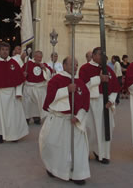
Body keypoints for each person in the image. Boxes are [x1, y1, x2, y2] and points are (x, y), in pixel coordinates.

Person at [39, 56, 90, 185]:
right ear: (64, 65)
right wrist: (66, 90)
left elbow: (85, 102)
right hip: (59, 120)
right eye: (72, 64)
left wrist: (78, 116)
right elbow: (50, 98)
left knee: (77, 149)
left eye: (77, 64)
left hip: (74, 121)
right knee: (53, 146)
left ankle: (77, 174)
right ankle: (52, 168)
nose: (75, 67)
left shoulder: (80, 82)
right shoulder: (56, 80)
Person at [78, 48, 120, 164]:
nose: (103, 58)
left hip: (106, 104)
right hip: (91, 103)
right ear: (94, 56)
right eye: (101, 55)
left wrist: (111, 100)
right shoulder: (84, 68)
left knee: (105, 130)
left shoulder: (108, 70)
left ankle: (102, 153)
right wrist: (98, 79)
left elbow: (115, 87)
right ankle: (85, 152)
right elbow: (82, 87)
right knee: (89, 129)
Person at [0, 42, 29, 144]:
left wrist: (18, 92)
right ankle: (0, 135)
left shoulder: (14, 63)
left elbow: (19, 80)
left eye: (7, 50)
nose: (5, 52)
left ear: (9, 51)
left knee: (13, 116)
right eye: (3, 49)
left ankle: (14, 135)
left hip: (12, 94)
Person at [22, 50, 51, 124]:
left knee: (38, 104)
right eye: (38, 57)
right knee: (28, 104)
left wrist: (44, 68)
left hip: (39, 88)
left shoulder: (43, 64)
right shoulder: (28, 64)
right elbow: (21, 73)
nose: (39, 59)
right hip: (29, 87)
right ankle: (27, 117)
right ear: (34, 57)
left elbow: (49, 73)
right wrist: (23, 74)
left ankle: (37, 118)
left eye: (40, 57)